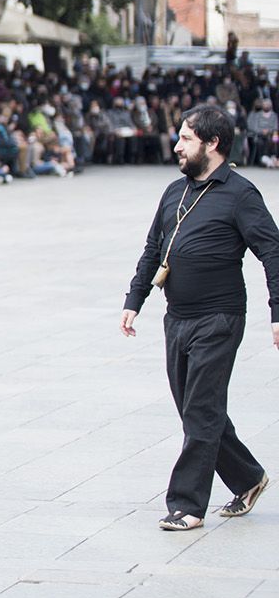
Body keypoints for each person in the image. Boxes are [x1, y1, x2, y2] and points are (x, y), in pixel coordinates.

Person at [122, 105, 278, 532]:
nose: (177, 145)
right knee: (194, 411)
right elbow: (154, 247)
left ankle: (187, 504)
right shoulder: (176, 191)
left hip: (219, 318)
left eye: (186, 138)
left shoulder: (241, 194)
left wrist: (277, 312)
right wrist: (134, 299)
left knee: (202, 409)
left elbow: (273, 252)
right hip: (178, 318)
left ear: (213, 144)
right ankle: (249, 478)